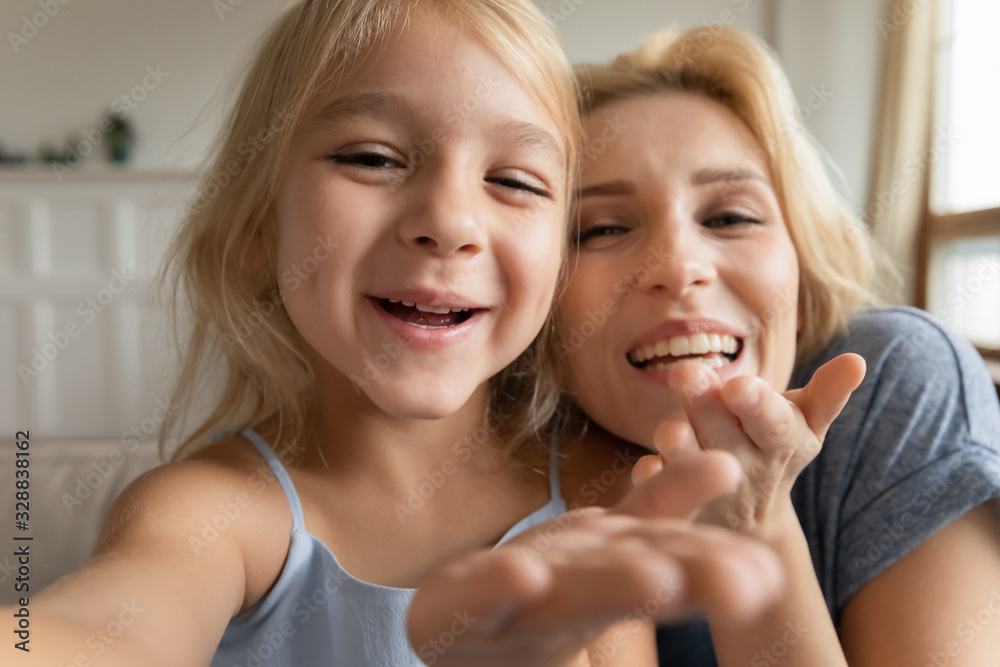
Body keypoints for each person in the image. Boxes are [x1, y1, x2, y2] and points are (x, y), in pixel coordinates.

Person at [1, 5, 786, 666]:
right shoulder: (212, 512)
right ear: (257, 227)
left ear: (556, 259)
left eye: (515, 181)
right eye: (372, 158)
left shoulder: (607, 484)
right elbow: (95, 632)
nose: (448, 222)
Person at [555, 25, 1000, 666]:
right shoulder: (498, 450)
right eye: (600, 228)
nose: (677, 266)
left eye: (730, 216)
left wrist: (752, 519)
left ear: (803, 264)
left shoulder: (890, 377)